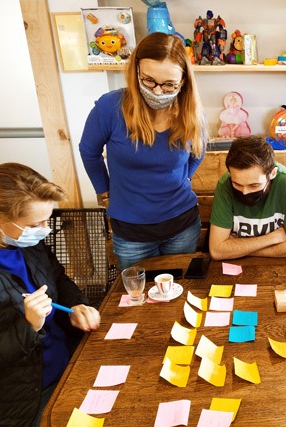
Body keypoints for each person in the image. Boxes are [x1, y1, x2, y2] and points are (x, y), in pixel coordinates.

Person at [0, 163, 101, 427]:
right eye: (34, 224)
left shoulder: (23, 241)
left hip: (68, 363)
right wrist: (28, 326)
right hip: (20, 400)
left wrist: (76, 305)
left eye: (46, 220)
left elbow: (58, 279)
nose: (44, 231)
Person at [79, 32, 206, 270]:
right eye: (149, 80)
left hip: (182, 226)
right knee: (136, 300)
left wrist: (184, 177)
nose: (158, 92)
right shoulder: (110, 107)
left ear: (183, 82)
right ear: (135, 71)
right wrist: (104, 192)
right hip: (131, 232)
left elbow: (199, 151)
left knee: (179, 294)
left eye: (169, 84)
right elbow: (89, 152)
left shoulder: (191, 111)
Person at [209, 136, 286, 260]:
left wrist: (238, 249)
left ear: (272, 173)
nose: (245, 192)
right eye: (237, 184)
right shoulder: (225, 184)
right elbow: (217, 251)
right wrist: (272, 238)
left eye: (254, 185)